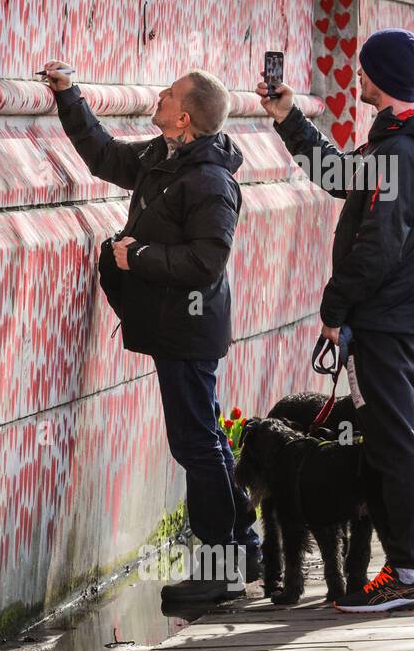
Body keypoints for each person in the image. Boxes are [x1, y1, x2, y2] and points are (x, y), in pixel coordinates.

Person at [259, 27, 414, 613]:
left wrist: (335, 308)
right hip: (406, 318)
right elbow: (339, 177)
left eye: (365, 69)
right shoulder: (406, 141)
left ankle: (406, 573)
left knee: (397, 445)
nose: (357, 76)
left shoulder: (400, 151)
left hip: (387, 320)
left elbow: (378, 247)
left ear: (385, 77)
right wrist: (289, 117)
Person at [41, 62, 258, 603]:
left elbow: (207, 262)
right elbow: (104, 154)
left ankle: (217, 569)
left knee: (196, 445)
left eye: (166, 96)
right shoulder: (163, 157)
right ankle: (244, 546)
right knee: (204, 435)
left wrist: (137, 255)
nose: (156, 99)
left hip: (189, 328)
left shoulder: (208, 180)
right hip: (173, 325)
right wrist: (70, 95)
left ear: (183, 118)